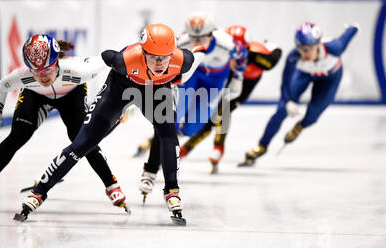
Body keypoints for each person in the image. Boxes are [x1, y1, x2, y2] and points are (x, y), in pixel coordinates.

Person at [14, 24, 206, 225]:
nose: (159, 63)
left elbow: (194, 60)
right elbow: (103, 57)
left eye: (164, 57)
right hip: (121, 87)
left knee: (168, 134)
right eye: (153, 57)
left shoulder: (183, 60)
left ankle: (172, 190)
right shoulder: (124, 60)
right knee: (83, 143)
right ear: (143, 52)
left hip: (156, 91)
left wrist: (200, 50)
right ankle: (39, 192)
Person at [0, 34, 129, 213]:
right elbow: (1, 88)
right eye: (35, 71)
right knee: (18, 136)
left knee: (82, 140)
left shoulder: (79, 69)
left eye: (46, 69)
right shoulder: (22, 76)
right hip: (35, 96)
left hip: (71, 95)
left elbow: (111, 57)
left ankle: (111, 184)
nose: (42, 76)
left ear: (56, 62)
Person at [138, 13, 247, 200]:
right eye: (194, 37)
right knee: (168, 120)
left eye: (202, 37)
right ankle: (151, 168)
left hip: (214, 82)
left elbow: (242, 54)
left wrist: (238, 78)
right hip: (191, 76)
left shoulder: (227, 43)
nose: (197, 41)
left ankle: (175, 135)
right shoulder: (181, 40)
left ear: (212, 33)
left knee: (192, 128)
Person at [239, 21, 360, 167]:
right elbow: (285, 83)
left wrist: (352, 27)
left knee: (313, 114)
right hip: (305, 74)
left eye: (308, 49)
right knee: (282, 109)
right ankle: (261, 146)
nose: (304, 54)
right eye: (301, 49)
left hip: (330, 78)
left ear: (318, 45)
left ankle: (300, 126)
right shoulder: (293, 57)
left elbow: (350, 32)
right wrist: (289, 101)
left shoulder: (335, 48)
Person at [178, 25, 282, 173]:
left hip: (246, 84)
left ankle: (197, 149)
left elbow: (273, 58)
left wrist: (273, 48)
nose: (232, 59)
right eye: (230, 54)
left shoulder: (257, 56)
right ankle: (192, 145)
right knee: (207, 111)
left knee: (220, 112)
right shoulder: (223, 50)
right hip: (228, 79)